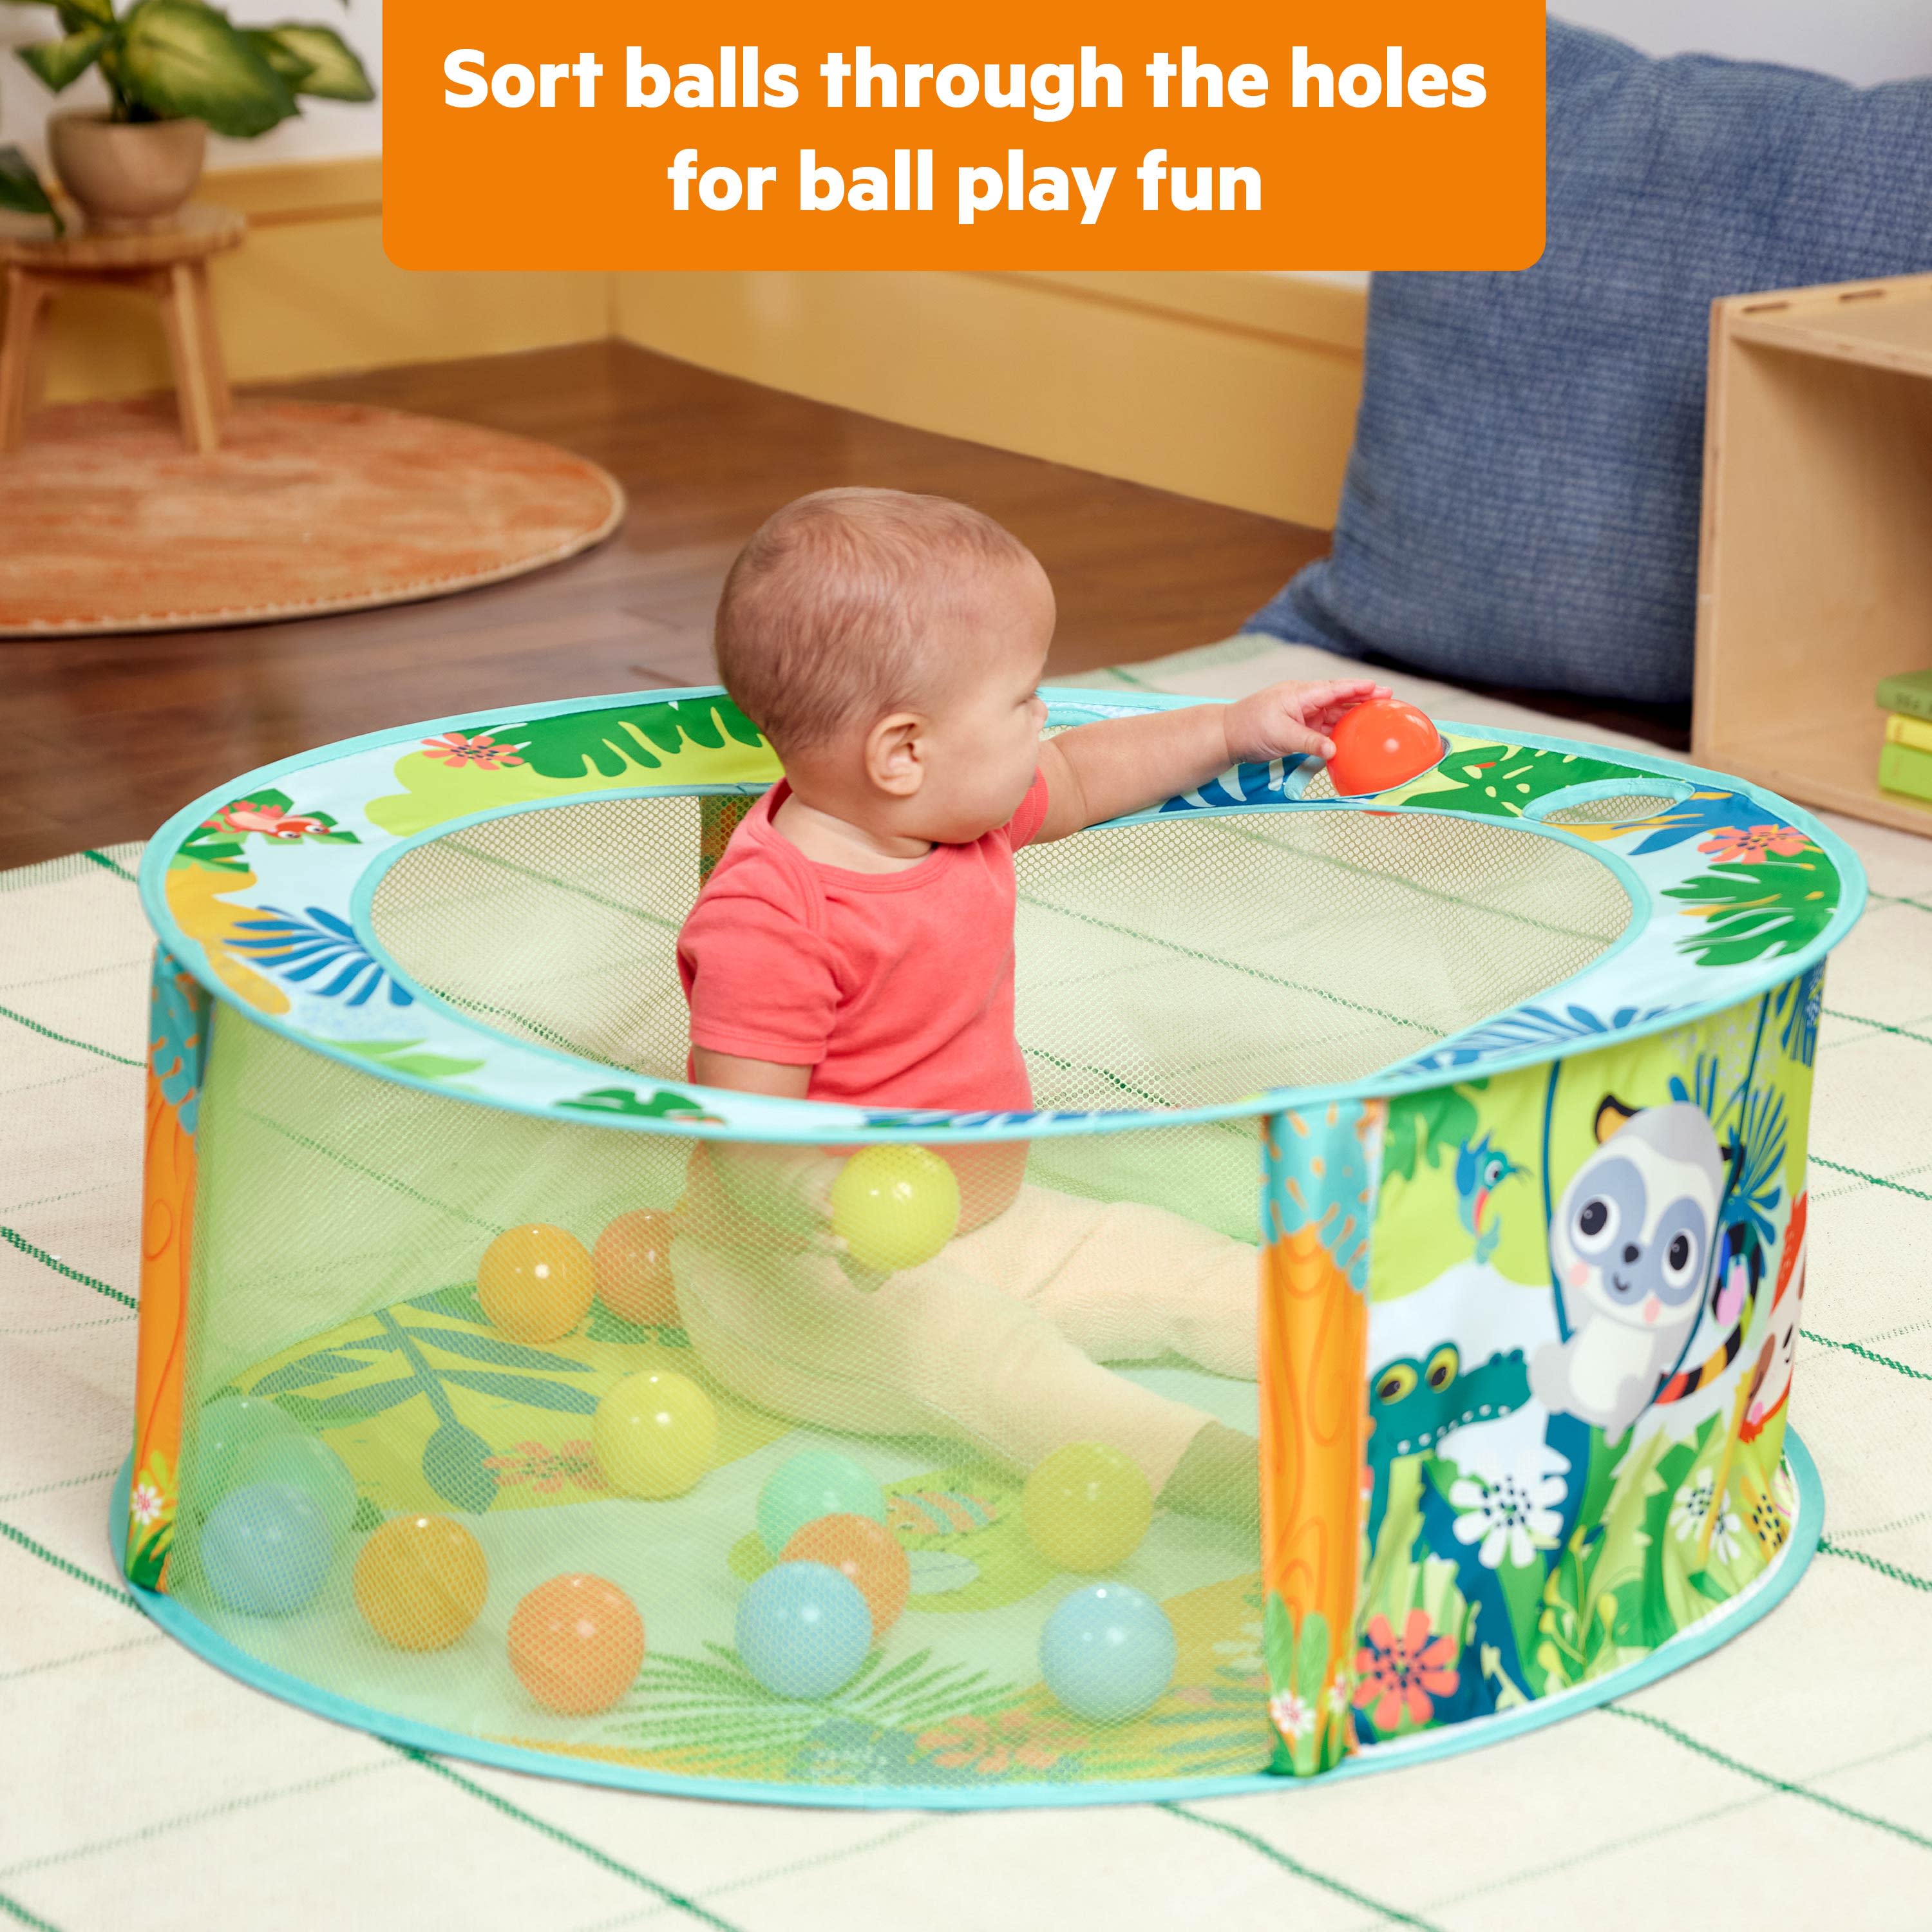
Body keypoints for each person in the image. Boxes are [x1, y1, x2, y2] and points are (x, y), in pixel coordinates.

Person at [674, 486, 1384, 1518]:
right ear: (904, 752)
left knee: (1176, 1261)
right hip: (797, 1285)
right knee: (995, 1364)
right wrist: (814, 1193)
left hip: (991, 1223)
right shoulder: (771, 919)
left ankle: (1413, 1354)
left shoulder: (958, 815)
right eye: (1023, 700)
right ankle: (1217, 1474)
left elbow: (1088, 772)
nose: (1045, 719)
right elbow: (745, 1131)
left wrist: (1233, 728)